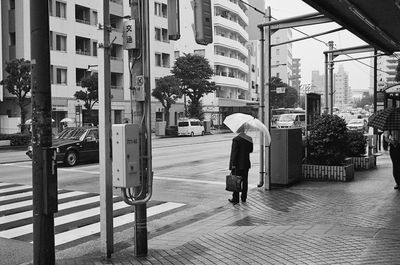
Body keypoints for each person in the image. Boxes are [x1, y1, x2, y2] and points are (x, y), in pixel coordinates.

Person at [228, 124, 253, 204]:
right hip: (246, 164)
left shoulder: (236, 139)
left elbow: (234, 154)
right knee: (245, 181)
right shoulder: (249, 139)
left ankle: (235, 199)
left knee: (236, 181)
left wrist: (232, 165)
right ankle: (243, 198)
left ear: (239, 130)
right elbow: (250, 150)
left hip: (238, 165)